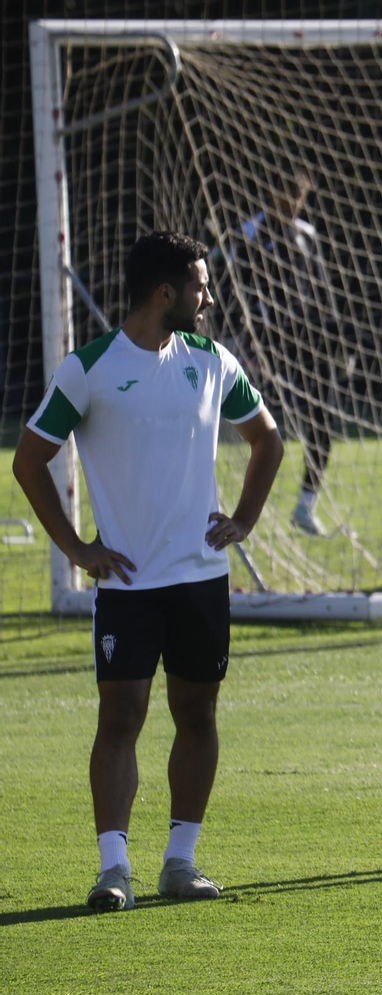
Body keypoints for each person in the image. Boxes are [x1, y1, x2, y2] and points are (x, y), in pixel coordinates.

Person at [12, 231, 284, 911]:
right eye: (199, 286)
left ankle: (180, 863)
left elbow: (268, 441)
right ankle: (113, 871)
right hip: (128, 584)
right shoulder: (90, 369)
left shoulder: (211, 359)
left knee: (197, 713)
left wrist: (244, 521)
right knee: (121, 717)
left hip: (200, 580)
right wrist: (77, 549)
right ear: (166, 293)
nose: (207, 297)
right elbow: (28, 460)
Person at [226, 168, 342, 536]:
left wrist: (335, 338)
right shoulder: (247, 237)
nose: (294, 203)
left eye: (300, 195)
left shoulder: (306, 234)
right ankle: (241, 512)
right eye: (288, 193)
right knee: (264, 430)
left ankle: (306, 507)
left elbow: (322, 292)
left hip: (310, 344)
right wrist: (249, 344)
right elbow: (236, 297)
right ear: (270, 193)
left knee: (322, 423)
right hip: (268, 347)